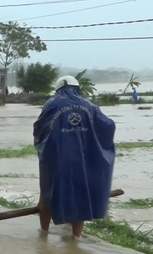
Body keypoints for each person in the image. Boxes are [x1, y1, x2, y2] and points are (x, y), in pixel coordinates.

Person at [33, 75, 116, 238]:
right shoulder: (90, 106)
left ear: (58, 90)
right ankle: (75, 239)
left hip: (56, 161)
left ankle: (44, 234)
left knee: (47, 195)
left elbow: (39, 128)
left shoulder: (51, 105)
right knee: (81, 198)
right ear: (77, 88)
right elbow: (108, 125)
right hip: (82, 161)